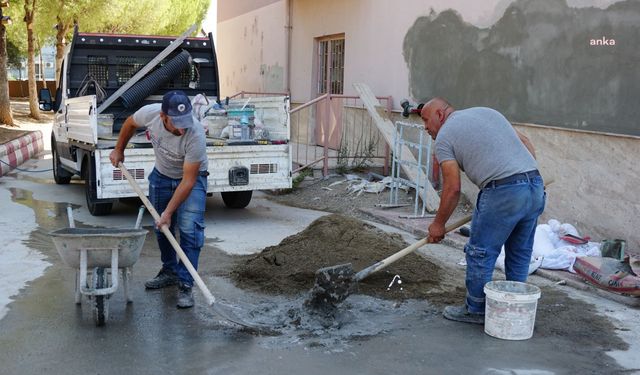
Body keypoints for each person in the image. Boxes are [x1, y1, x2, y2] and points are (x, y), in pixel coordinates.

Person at [420, 98, 545, 324]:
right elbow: (525, 141)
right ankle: (516, 306)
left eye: (426, 120)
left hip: (503, 191)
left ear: (440, 115)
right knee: (519, 252)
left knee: (480, 252)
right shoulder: (487, 112)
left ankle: (475, 309)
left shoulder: (445, 136)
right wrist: (525, 178)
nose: (425, 127)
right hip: (534, 185)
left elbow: (452, 188)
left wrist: (438, 224)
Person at [109, 90, 208, 309]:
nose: (182, 128)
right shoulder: (150, 114)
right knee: (161, 228)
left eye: (185, 121)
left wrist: (169, 212)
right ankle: (170, 271)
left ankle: (185, 284)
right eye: (176, 123)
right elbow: (129, 123)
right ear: (163, 116)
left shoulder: (196, 135)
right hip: (162, 175)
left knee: (190, 230)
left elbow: (188, 182)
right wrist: (119, 149)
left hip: (191, 179)